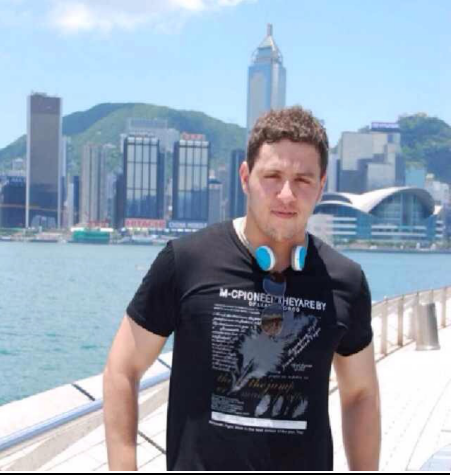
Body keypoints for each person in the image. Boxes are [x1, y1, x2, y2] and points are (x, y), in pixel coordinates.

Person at [103, 106, 381, 471]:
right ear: (245, 177)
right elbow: (122, 369)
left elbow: (360, 393)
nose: (286, 194)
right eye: (272, 176)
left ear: (321, 186)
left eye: (302, 180)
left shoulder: (345, 280)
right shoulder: (186, 261)